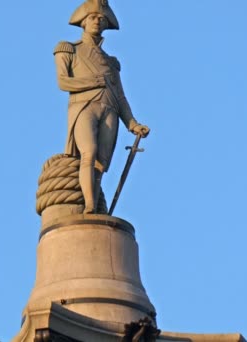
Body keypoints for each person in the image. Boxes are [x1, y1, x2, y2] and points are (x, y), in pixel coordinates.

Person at [54, 0, 150, 214]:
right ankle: (88, 206)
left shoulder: (111, 62)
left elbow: (121, 97)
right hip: (83, 106)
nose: (97, 21)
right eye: (92, 17)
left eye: (101, 18)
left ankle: (95, 208)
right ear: (83, 22)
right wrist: (92, 82)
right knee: (88, 152)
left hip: (110, 110)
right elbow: (63, 82)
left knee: (101, 164)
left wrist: (133, 124)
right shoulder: (68, 49)